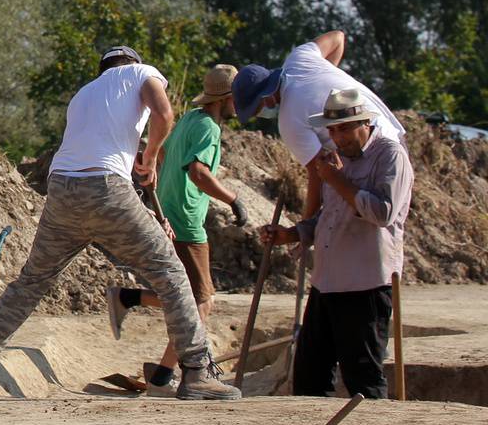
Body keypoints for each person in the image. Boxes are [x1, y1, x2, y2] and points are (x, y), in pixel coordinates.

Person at [0, 47, 239, 400]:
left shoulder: (84, 94)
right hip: (107, 190)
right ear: (133, 62)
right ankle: (195, 372)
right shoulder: (142, 73)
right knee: (172, 275)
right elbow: (163, 113)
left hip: (62, 192)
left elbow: (96, 147)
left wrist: (137, 167)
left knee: (30, 283)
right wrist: (149, 158)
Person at [106, 64, 253, 394]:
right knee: (201, 302)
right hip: (187, 220)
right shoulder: (209, 129)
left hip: (172, 212)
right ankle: (186, 374)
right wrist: (234, 200)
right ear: (228, 99)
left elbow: (161, 157)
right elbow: (198, 171)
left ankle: (160, 370)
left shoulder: (188, 119)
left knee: (187, 298)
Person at [260, 89, 413, 398]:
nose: (338, 137)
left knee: (364, 379)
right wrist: (292, 234)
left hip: (365, 285)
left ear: (365, 123)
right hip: (326, 284)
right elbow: (329, 217)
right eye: (332, 130)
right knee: (309, 379)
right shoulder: (338, 161)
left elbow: (382, 212)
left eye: (344, 128)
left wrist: (336, 180)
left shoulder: (390, 155)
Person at [231, 29, 404, 220]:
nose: (261, 114)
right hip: (392, 136)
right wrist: (333, 98)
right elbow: (338, 37)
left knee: (370, 224)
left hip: (367, 157)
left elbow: (317, 174)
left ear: (268, 98)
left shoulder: (289, 120)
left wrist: (305, 230)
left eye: (257, 109)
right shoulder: (299, 58)